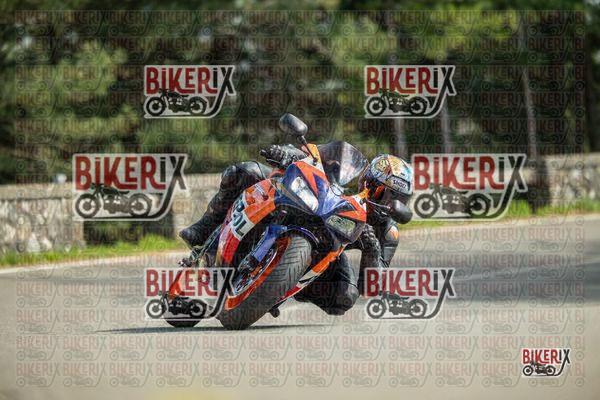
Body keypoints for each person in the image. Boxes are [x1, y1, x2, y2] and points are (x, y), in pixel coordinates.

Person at [179, 145, 413, 315]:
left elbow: (371, 286)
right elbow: (313, 156)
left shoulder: (387, 232)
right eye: (382, 191)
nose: (389, 202)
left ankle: (280, 286)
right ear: (368, 180)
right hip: (302, 202)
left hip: (328, 246)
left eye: (398, 199)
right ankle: (203, 228)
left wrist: (371, 250)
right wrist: (286, 153)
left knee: (344, 297)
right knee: (244, 171)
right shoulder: (347, 171)